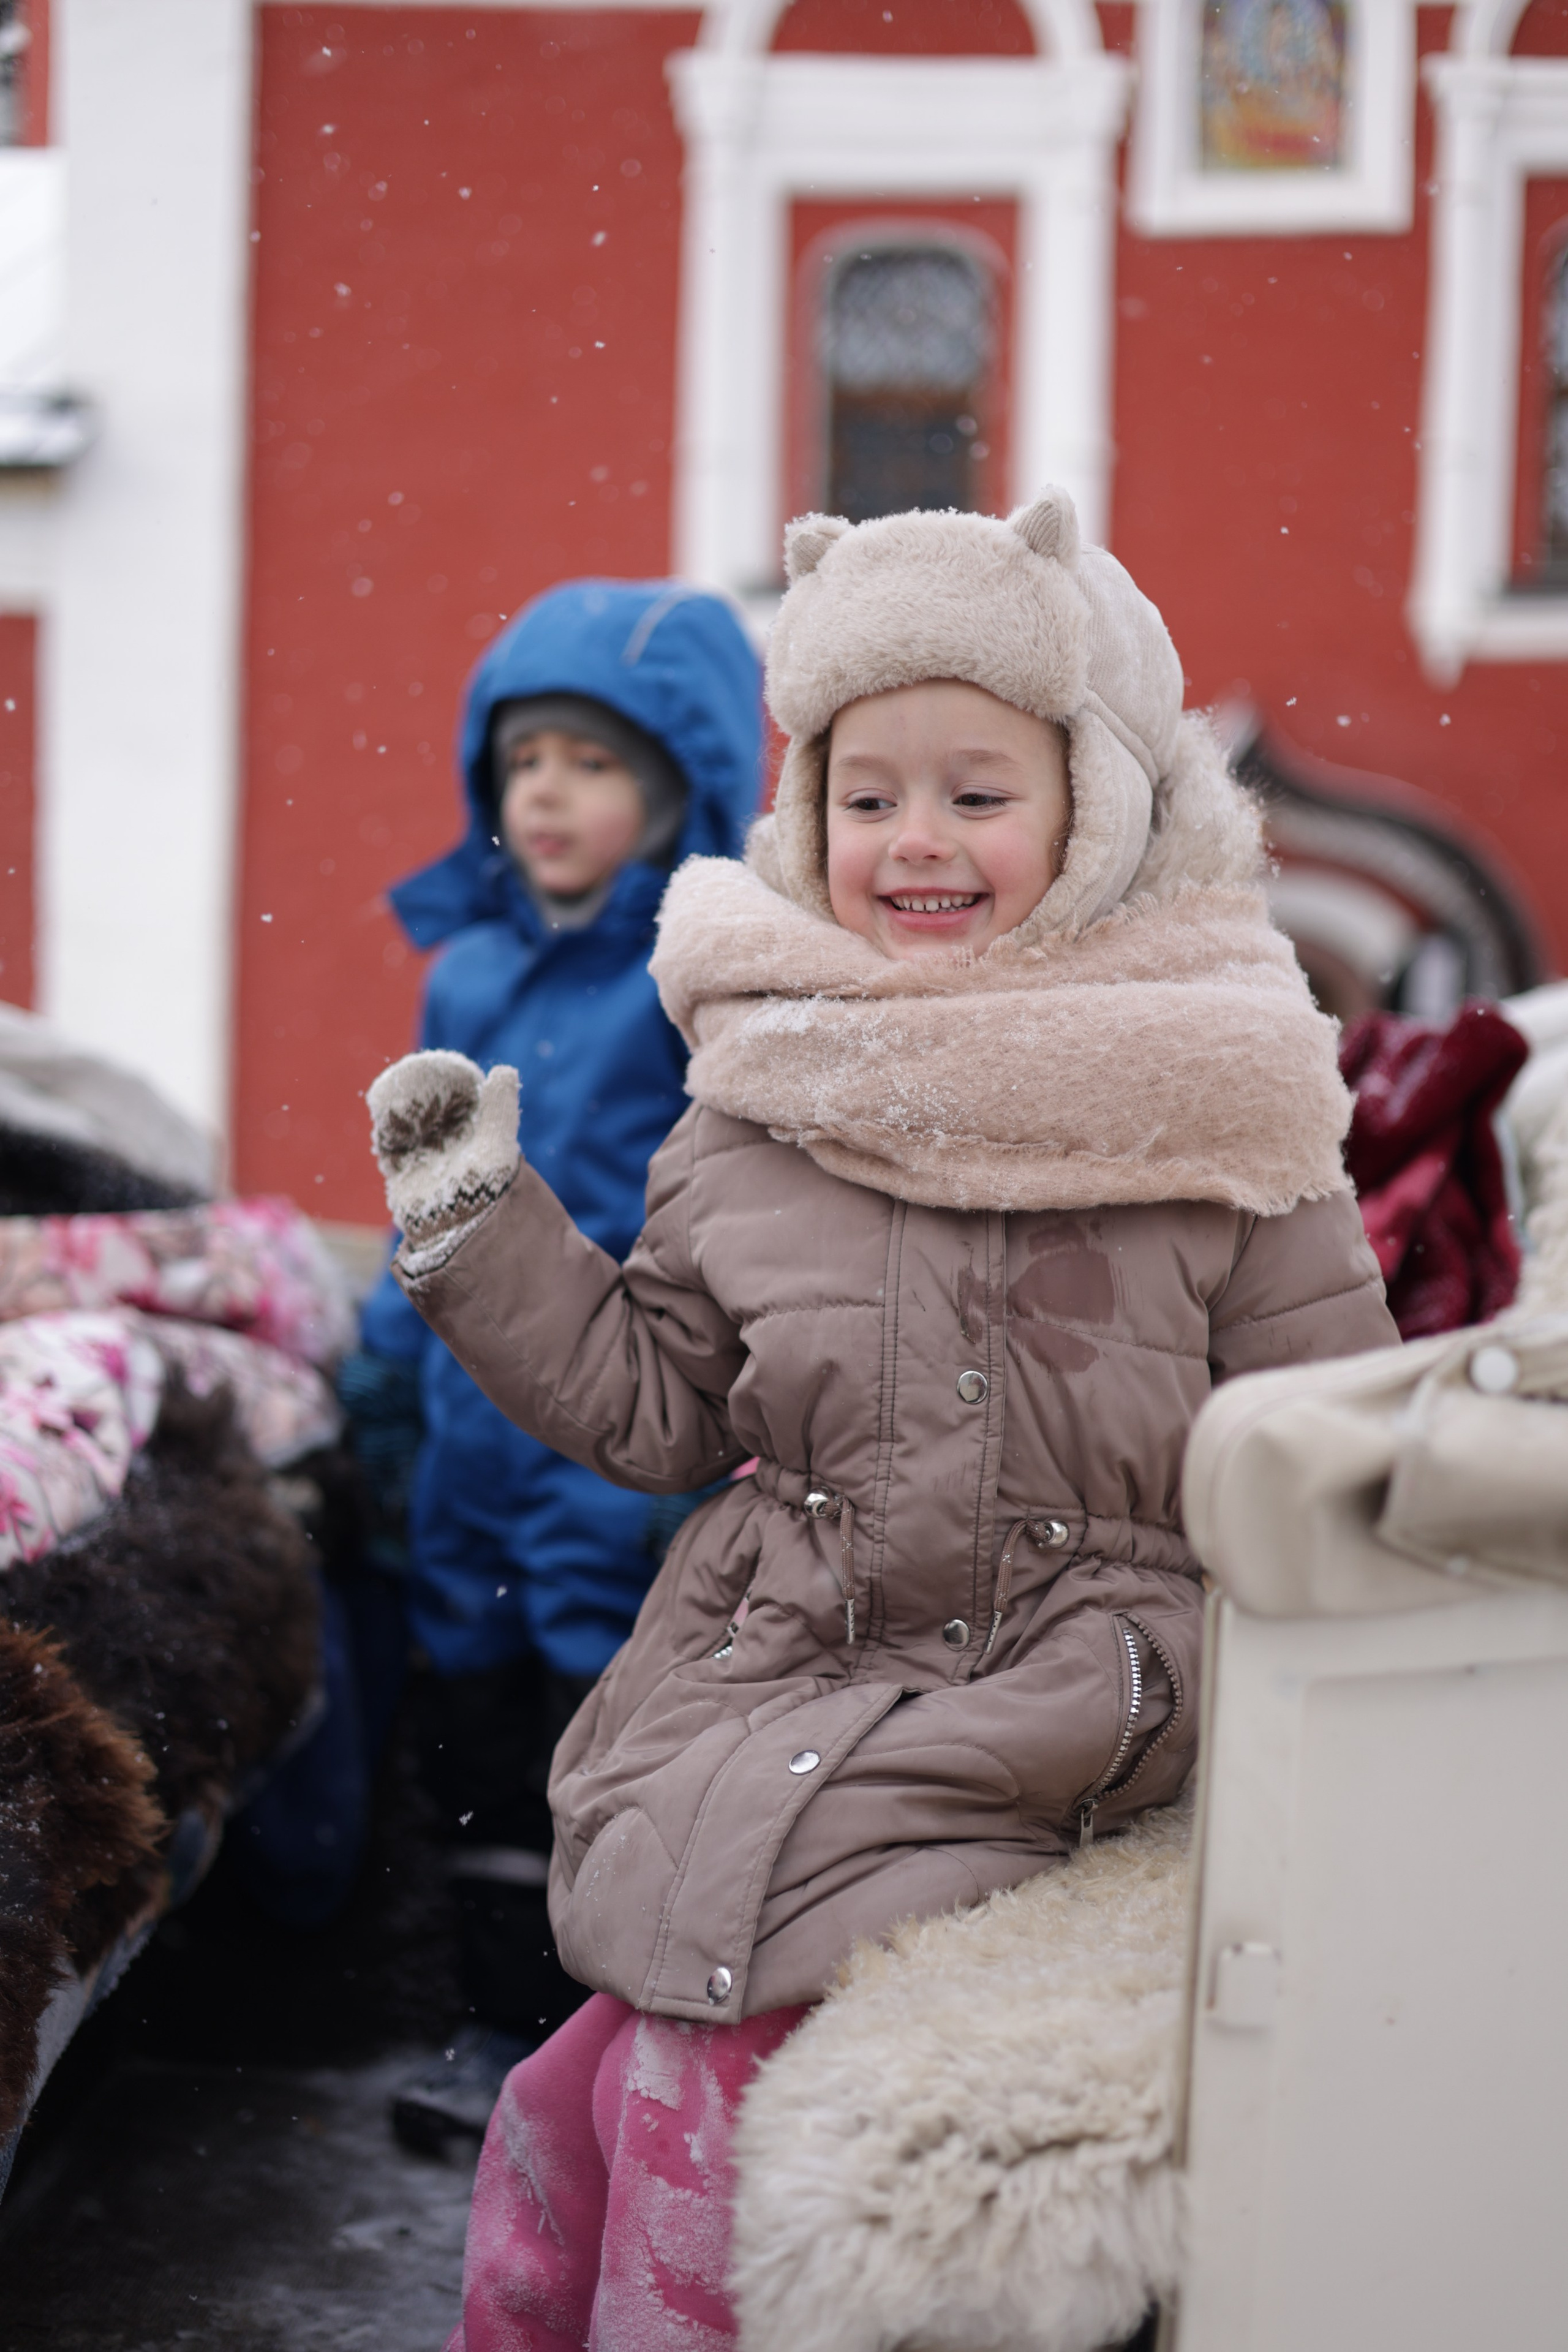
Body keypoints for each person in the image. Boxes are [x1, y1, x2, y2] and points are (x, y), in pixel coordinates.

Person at [366, 491, 1398, 2342]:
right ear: (803, 814)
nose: (915, 840)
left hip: (1065, 1679)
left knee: (723, 2031)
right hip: (785, 1642)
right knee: (579, 2081)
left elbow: (1324, 1440)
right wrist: (484, 1232)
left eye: (977, 792)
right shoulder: (765, 1092)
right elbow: (660, 1405)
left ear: (1098, 807)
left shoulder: (1219, 1099)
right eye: (866, 797)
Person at [350, 578, 761, 2150]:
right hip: (468, 1428)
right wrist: (382, 1373)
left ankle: (592, 2045)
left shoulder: (690, 985)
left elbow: (730, 1210)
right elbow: (422, 1193)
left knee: (601, 1725)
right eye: (523, 762)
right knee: (466, 1707)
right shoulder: (466, 976)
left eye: (592, 763)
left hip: (619, 1423)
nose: (546, 794)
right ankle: (483, 2022)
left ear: (676, 789)